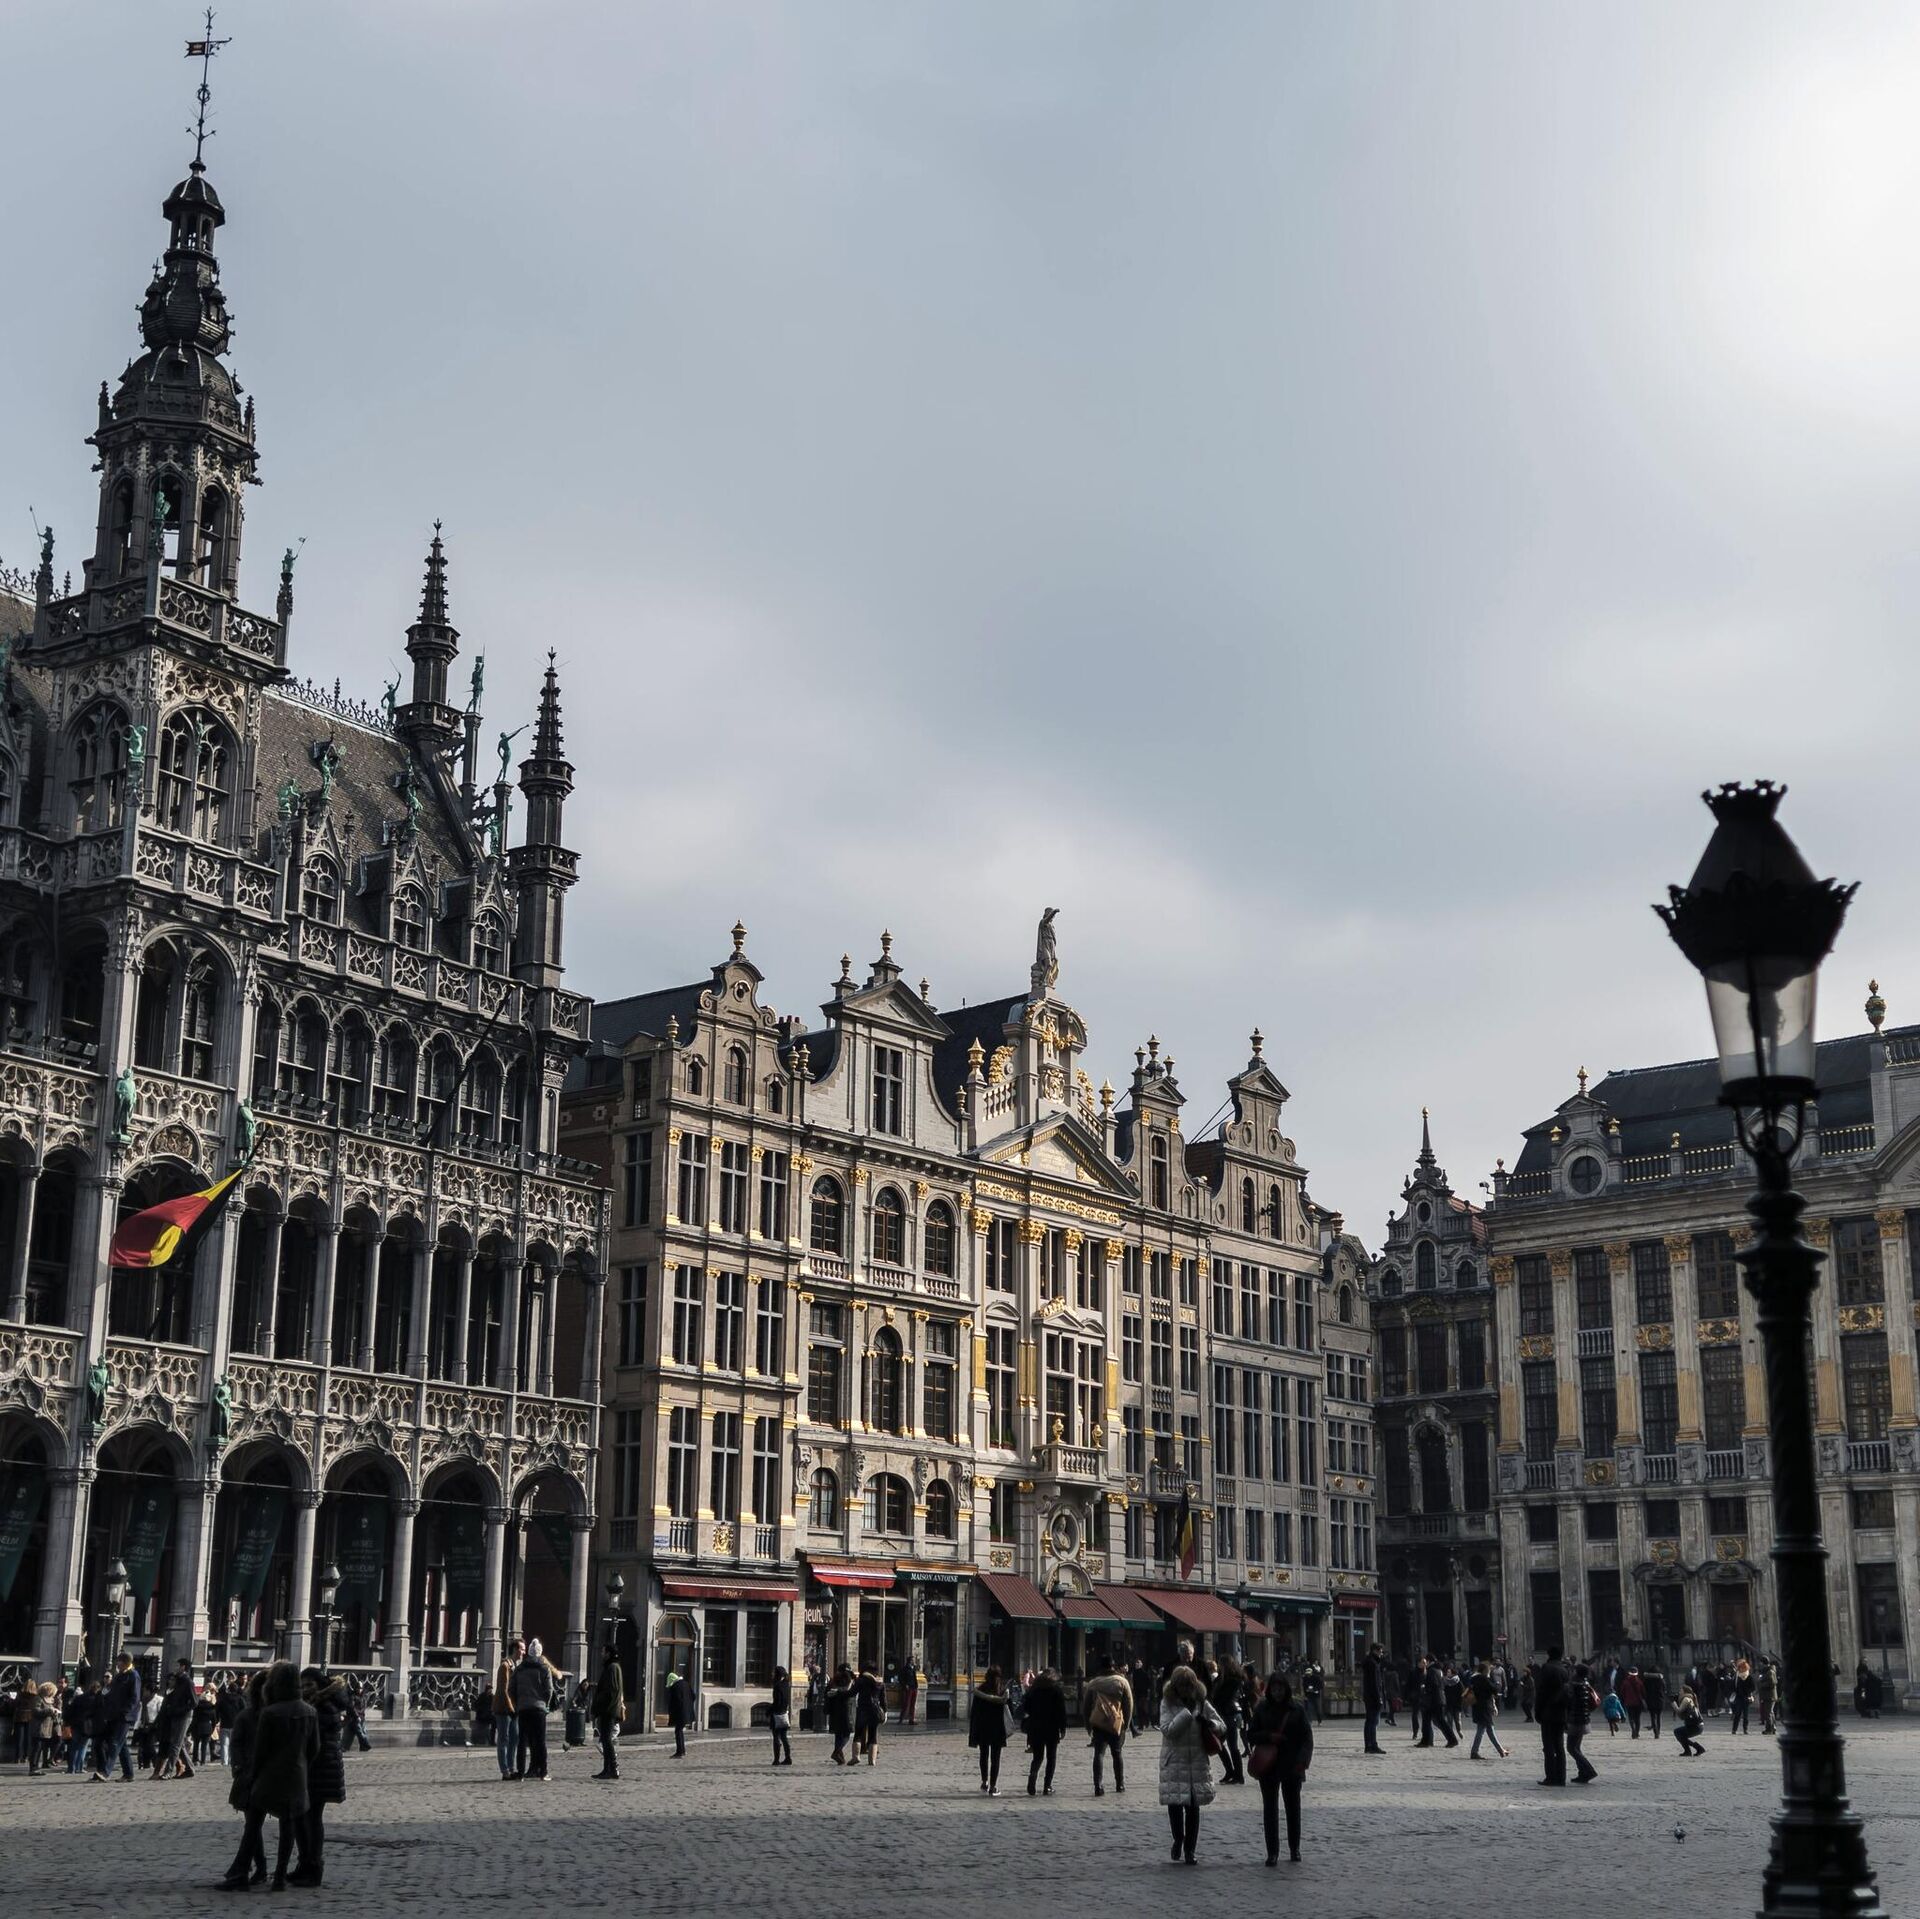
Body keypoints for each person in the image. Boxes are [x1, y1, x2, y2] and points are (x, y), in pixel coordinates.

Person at [1157, 1666, 1225, 1865]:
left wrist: (1210, 1724)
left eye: (1190, 1685)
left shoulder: (1202, 1702)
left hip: (1197, 1762)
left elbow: (1222, 1725)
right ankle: (1178, 1839)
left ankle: (1190, 1850)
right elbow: (1168, 1730)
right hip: (1174, 1761)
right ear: (1176, 1687)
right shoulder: (1167, 1703)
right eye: (1183, 1686)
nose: (1187, 1689)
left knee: (1194, 1809)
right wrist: (1186, 1715)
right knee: (1175, 1805)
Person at [1247, 1671, 1313, 1867]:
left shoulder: (1297, 1710)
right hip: (1269, 1765)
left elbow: (1307, 1738)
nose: (1277, 1692)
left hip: (1292, 1764)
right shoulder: (1262, 1708)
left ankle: (1294, 1848)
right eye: (1274, 1689)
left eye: (1280, 1689)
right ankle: (1272, 1852)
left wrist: (1303, 1761)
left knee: (1293, 1809)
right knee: (1270, 1810)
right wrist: (1268, 1736)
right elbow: (1251, 1734)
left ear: (1286, 1689)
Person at [294, 1667, 346, 1887]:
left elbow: (313, 1740)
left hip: (320, 1769)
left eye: (309, 1685)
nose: (305, 1689)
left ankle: (313, 1867)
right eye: (302, 1685)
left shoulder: (324, 1706)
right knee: (302, 1818)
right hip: (316, 1768)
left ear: (320, 1684)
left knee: (312, 1818)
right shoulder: (315, 1704)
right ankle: (304, 1864)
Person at [218, 1671, 269, 1891]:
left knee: (253, 1824)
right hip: (253, 1775)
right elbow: (237, 1745)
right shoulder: (248, 1716)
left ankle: (249, 1870)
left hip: (267, 1774)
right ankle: (259, 1868)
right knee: (253, 1824)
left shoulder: (272, 1715)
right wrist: (239, 1767)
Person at [510, 1636, 561, 1780]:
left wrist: (518, 1702)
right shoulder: (544, 1669)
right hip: (539, 1709)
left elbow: (511, 1688)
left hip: (523, 1708)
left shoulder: (520, 1669)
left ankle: (520, 1773)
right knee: (540, 1741)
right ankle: (543, 1772)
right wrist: (545, 1703)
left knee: (522, 1741)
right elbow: (549, 1690)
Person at [1084, 1656, 1133, 1796]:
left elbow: (1086, 1706)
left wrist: (1088, 1725)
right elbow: (1129, 1704)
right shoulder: (1122, 1681)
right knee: (1117, 1753)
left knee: (1099, 1754)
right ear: (1113, 1666)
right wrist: (1126, 1723)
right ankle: (1120, 1784)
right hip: (1116, 1723)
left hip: (1099, 1723)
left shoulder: (1094, 1683)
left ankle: (1098, 1786)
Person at [92, 1652, 140, 1782]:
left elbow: (135, 1697)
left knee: (114, 1743)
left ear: (125, 1662)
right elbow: (112, 1694)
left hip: (124, 1716)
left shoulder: (133, 1676)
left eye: (119, 1661)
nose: (117, 1664)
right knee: (115, 1744)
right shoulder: (119, 1676)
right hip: (112, 1715)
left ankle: (105, 1772)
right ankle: (128, 1774)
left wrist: (126, 1711)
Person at [1023, 1665, 1066, 1796]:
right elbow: (1061, 1711)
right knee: (1051, 1757)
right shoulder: (1056, 1689)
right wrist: (1063, 1728)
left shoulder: (1034, 1689)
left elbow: (1026, 1707)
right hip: (1051, 1727)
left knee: (1037, 1757)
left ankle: (1033, 1776)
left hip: (1035, 1726)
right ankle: (1047, 1786)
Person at [969, 1664, 1011, 1795]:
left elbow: (974, 1712)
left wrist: (973, 1729)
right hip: (997, 1729)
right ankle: (993, 1786)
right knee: (995, 1758)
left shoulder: (980, 1690)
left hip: (983, 1728)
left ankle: (984, 1782)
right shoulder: (1002, 1692)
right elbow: (1009, 1710)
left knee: (984, 1755)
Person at [153, 1657, 197, 1779]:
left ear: (183, 1667)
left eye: (177, 1665)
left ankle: (168, 1771)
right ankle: (190, 1768)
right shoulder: (178, 1680)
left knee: (175, 1744)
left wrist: (180, 1710)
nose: (175, 1668)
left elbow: (194, 1702)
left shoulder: (188, 1682)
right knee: (179, 1744)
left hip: (183, 1717)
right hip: (174, 1716)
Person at [1535, 1645, 1569, 1787]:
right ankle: (1561, 1777)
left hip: (1548, 1712)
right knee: (1559, 1746)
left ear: (1549, 1654)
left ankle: (1551, 1776)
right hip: (1561, 1712)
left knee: (1548, 1746)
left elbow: (1541, 1692)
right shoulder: (1564, 1670)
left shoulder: (1547, 1668)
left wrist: (1537, 1711)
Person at [492, 1635, 524, 1781]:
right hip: (504, 1709)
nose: (523, 1652)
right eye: (522, 1649)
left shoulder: (516, 1666)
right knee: (503, 1739)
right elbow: (503, 1690)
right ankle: (505, 1770)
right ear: (515, 1649)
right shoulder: (505, 1666)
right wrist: (511, 1708)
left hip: (514, 1709)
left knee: (514, 1738)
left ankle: (511, 1768)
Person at [591, 1645, 626, 1780]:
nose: (601, 1654)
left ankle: (613, 1768)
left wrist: (601, 1707)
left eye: (603, 1651)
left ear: (609, 1653)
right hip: (608, 1709)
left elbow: (611, 1691)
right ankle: (607, 1769)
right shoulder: (611, 1667)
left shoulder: (612, 1668)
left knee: (607, 1740)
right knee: (605, 1740)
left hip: (608, 1710)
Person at [1210, 1657, 1246, 1785]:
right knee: (1219, 1744)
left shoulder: (1233, 1680)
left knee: (1232, 1746)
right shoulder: (1221, 1679)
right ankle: (1230, 1772)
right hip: (1222, 1714)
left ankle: (1238, 1775)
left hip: (1229, 1714)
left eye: (1221, 1664)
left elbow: (1224, 1697)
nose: (1220, 1667)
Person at [1566, 1662, 1599, 1784]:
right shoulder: (1586, 1684)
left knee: (1571, 1748)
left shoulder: (1574, 1685)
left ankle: (1589, 1770)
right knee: (1577, 1747)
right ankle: (1582, 1773)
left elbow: (1569, 1701)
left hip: (1575, 1719)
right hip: (1584, 1718)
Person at [1468, 1659, 1507, 1759]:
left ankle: (1500, 1750)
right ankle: (1474, 1752)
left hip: (1477, 1707)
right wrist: (1497, 1684)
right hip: (1484, 1708)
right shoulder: (1484, 1679)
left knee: (1488, 1730)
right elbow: (1494, 1689)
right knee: (1482, 1731)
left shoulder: (1474, 1679)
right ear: (1485, 1670)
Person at [1419, 1656, 1457, 1748]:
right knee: (1428, 1720)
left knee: (1439, 1721)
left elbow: (1433, 1685)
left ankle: (1452, 1740)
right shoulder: (1438, 1670)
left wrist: (1425, 1688)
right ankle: (1426, 1740)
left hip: (1433, 1700)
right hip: (1438, 1699)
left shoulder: (1431, 1671)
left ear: (1428, 1661)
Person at [852, 1662, 885, 1766]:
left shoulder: (861, 1680)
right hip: (875, 1710)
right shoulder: (879, 1682)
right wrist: (885, 1712)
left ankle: (856, 1757)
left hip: (863, 1708)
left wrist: (839, 1693)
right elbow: (883, 1699)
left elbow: (852, 1692)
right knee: (873, 1735)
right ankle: (872, 1760)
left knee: (858, 1733)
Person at [823, 1664, 853, 1765]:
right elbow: (849, 1692)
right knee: (847, 1734)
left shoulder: (833, 1680)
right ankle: (837, 1751)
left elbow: (826, 1693)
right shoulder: (847, 1679)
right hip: (844, 1709)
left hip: (834, 1710)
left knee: (838, 1734)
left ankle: (840, 1757)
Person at [1360, 1643, 1385, 1754]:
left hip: (1369, 1696)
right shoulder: (1373, 1664)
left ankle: (1368, 1745)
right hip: (1373, 1696)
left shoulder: (1369, 1662)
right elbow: (1375, 1683)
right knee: (1373, 1721)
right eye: (1380, 1651)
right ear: (1375, 1651)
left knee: (1369, 1721)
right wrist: (1379, 1697)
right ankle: (1372, 1745)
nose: (1381, 1654)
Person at [666, 1665, 695, 1759]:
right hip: (687, 1712)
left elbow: (674, 1701)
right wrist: (688, 1705)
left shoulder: (675, 1687)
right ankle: (682, 1750)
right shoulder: (686, 1684)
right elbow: (693, 1696)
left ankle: (680, 1752)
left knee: (678, 1731)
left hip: (680, 1713)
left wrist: (672, 1712)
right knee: (680, 1731)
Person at [768, 1665, 793, 1767]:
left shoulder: (777, 1686)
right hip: (784, 1713)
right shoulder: (786, 1684)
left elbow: (777, 1702)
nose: (772, 1674)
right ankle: (788, 1757)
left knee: (776, 1737)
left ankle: (776, 1759)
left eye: (774, 1672)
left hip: (777, 1714)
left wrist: (769, 1710)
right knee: (784, 1737)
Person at [191, 1682, 219, 1767]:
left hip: (197, 1727)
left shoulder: (197, 1707)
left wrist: (192, 1728)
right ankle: (203, 1761)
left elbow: (194, 1718)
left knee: (196, 1744)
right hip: (207, 1727)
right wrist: (212, 1728)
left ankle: (195, 1759)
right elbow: (214, 1720)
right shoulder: (211, 1708)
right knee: (204, 1745)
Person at [1674, 1684, 1706, 1756]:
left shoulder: (1686, 1699)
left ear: (1685, 1692)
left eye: (1681, 1690)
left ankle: (1694, 1749)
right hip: (1698, 1725)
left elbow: (1679, 1711)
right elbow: (1682, 1717)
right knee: (1680, 1734)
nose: (1679, 1692)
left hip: (1695, 1726)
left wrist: (1674, 1704)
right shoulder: (1691, 1699)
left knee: (1677, 1732)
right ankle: (1693, 1749)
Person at [1730, 1658, 1755, 1734]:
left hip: (1746, 1698)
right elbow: (1733, 1686)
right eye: (1739, 1668)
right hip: (1739, 1697)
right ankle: (1734, 1729)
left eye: (1742, 1668)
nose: (1740, 1669)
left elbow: (1753, 1687)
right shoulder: (1737, 1676)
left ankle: (1745, 1729)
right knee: (1737, 1714)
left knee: (1745, 1715)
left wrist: (1747, 1692)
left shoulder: (1749, 1677)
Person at [1620, 1666, 1645, 1738]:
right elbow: (1643, 1693)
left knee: (1631, 1718)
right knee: (1637, 1718)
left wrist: (1624, 1699)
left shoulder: (1625, 1682)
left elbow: (1622, 1692)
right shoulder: (1639, 1682)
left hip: (1629, 1703)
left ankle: (1633, 1730)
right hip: (1638, 1703)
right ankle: (1637, 1732)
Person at [1643, 1666, 1667, 1740]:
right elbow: (1665, 1689)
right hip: (1660, 1700)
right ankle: (1658, 1732)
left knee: (1653, 1717)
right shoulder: (1661, 1680)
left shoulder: (1647, 1680)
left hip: (1650, 1700)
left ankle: (1655, 1732)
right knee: (1659, 1717)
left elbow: (1644, 1690)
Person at [1758, 1658, 1778, 1734]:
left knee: (1768, 1713)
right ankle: (1773, 1728)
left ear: (1763, 1663)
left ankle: (1769, 1729)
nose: (1759, 1664)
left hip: (1769, 1695)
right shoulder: (1766, 1671)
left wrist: (1761, 1684)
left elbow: (1773, 1682)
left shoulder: (1770, 1671)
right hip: (1767, 1695)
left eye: (1760, 1662)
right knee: (1770, 1712)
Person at [898, 1660, 919, 1728]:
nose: (914, 1661)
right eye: (912, 1660)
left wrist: (916, 1686)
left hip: (914, 1688)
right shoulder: (905, 1669)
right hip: (908, 1688)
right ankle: (901, 1719)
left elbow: (914, 1678)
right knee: (906, 1704)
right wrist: (905, 1685)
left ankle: (911, 1720)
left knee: (913, 1704)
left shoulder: (913, 1668)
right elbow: (900, 1678)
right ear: (910, 1661)